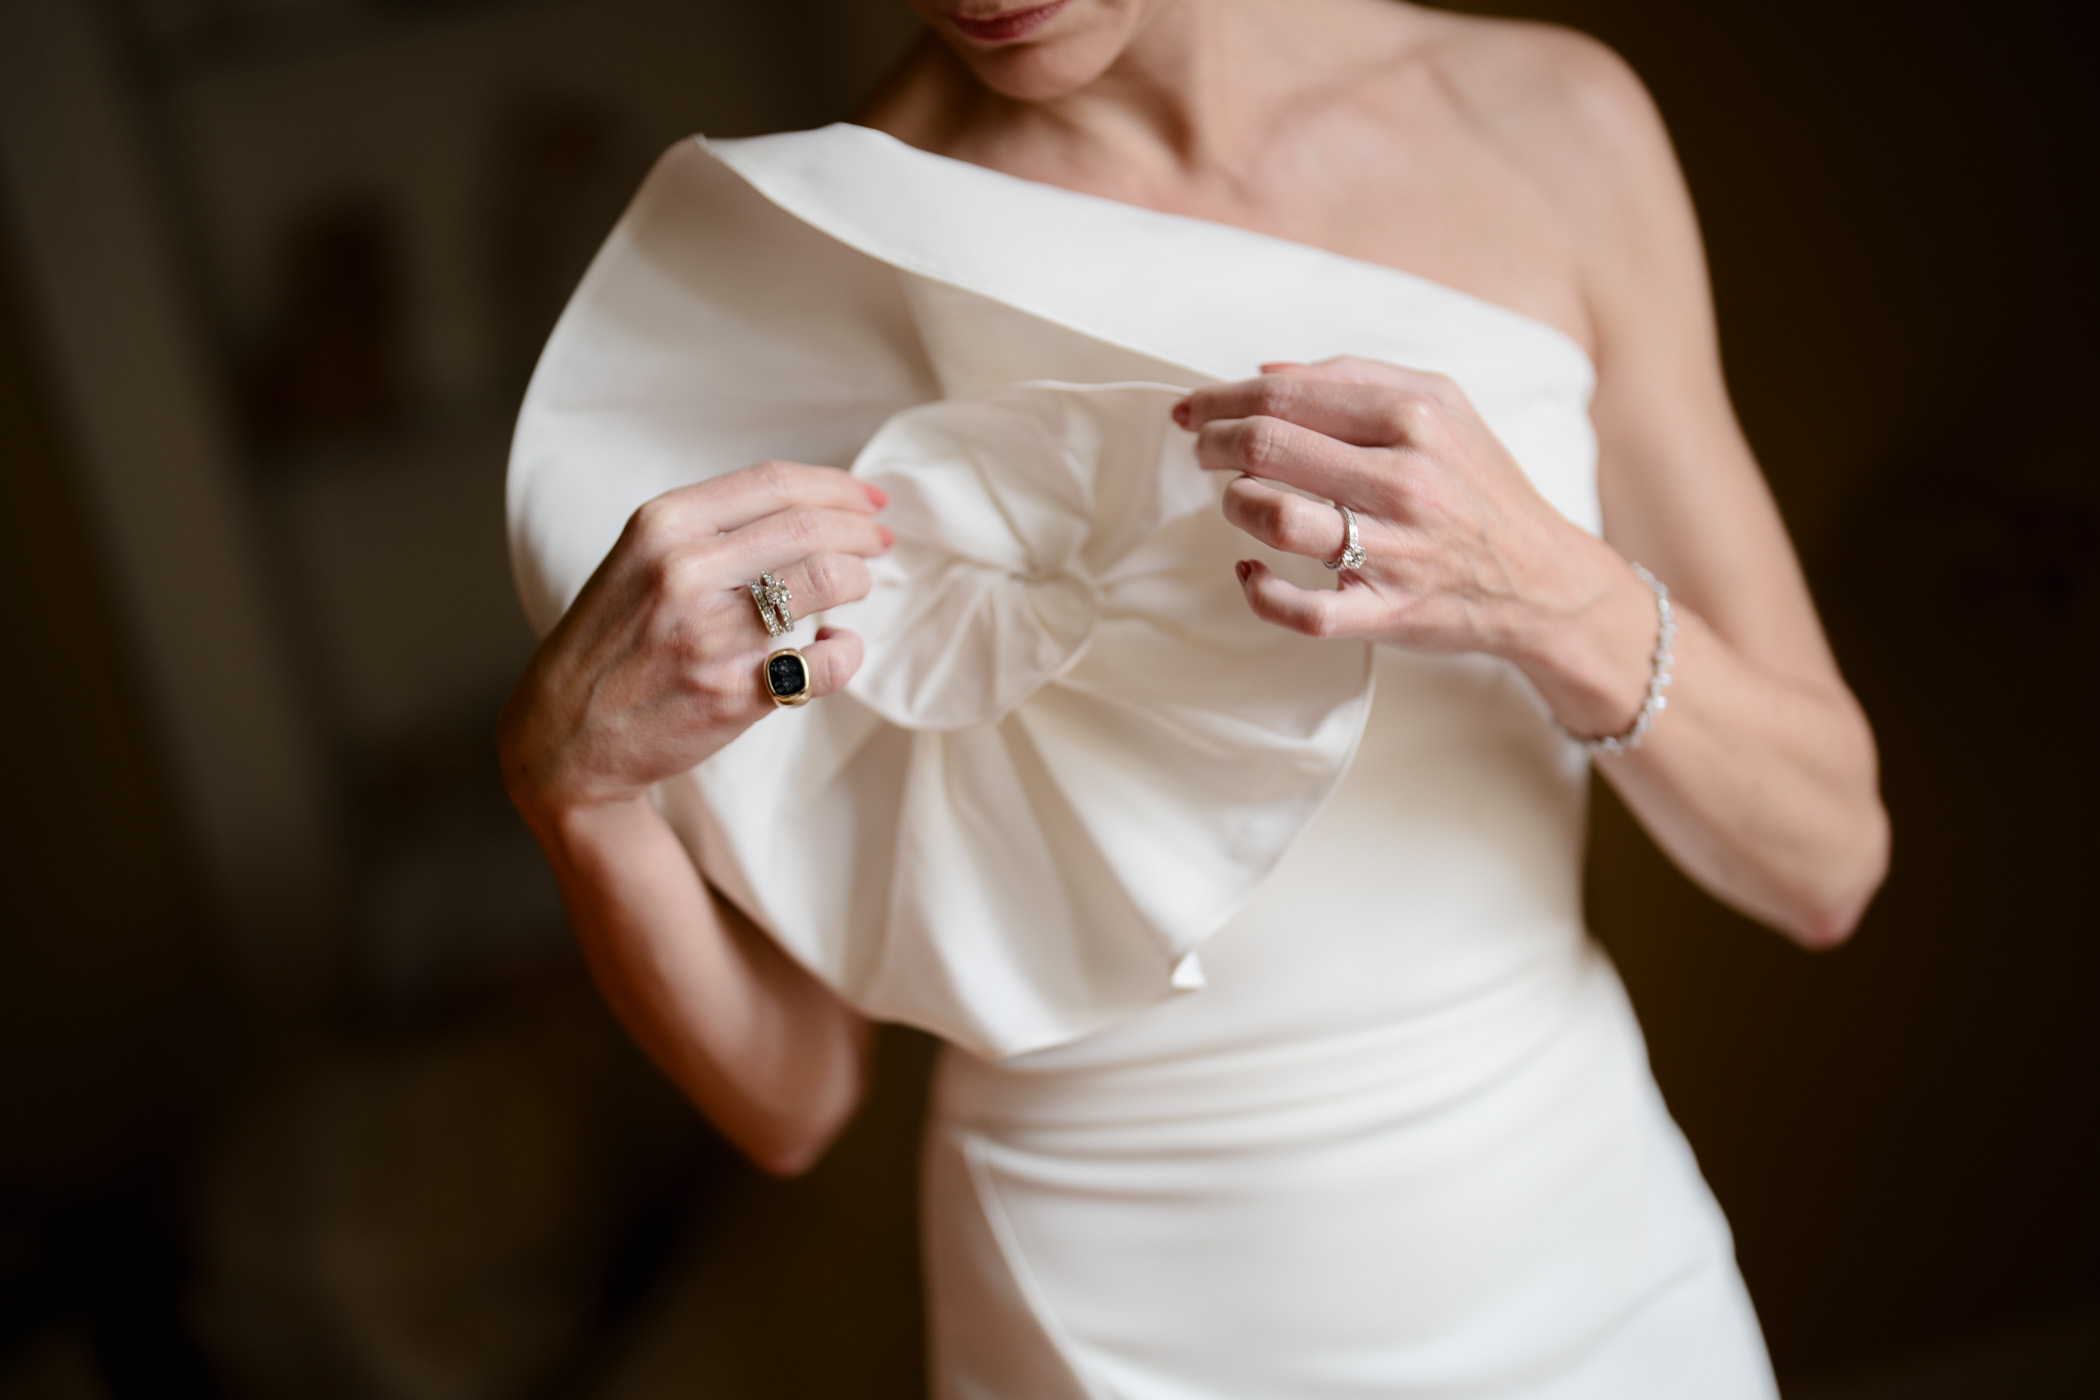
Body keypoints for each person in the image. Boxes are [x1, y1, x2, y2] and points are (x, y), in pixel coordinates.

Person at [497, 1, 1889, 1394]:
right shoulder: (810, 238)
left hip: (1582, 1255)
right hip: (1099, 1322)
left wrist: (1551, 596)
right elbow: (799, 1095)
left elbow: (1823, 862)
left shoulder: (1552, 129)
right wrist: (580, 798)